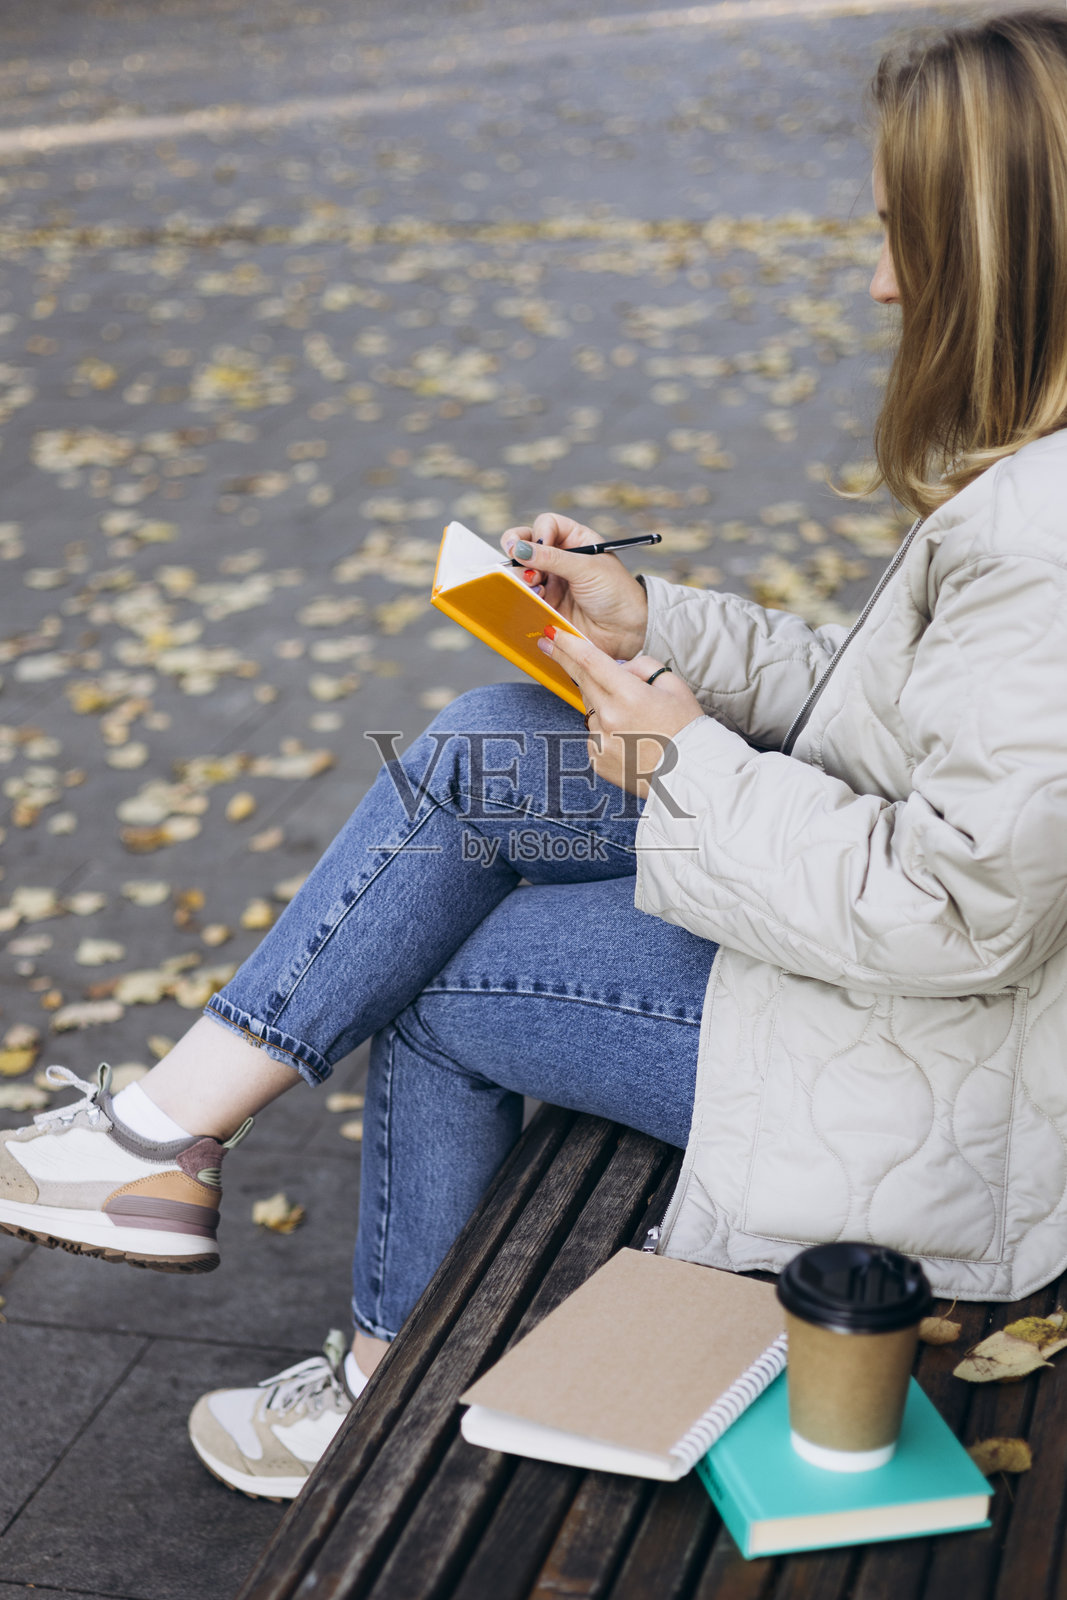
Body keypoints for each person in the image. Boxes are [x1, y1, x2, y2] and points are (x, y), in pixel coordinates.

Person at [4, 8, 1067, 1501]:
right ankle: (161, 1141)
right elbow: (888, 710)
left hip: (948, 1082)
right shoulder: (1033, 493)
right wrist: (652, 622)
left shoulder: (1044, 536)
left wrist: (684, 762)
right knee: (497, 741)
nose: (881, 279)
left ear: (996, 250)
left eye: (902, 236)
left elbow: (953, 909)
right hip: (924, 1006)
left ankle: (364, 1376)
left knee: (438, 981)